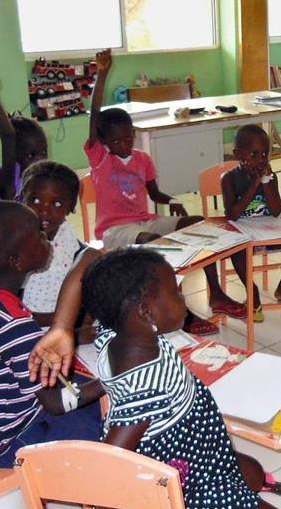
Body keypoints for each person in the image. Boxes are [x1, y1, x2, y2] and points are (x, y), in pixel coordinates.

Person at [80, 248, 281, 509]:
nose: (183, 296)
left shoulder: (114, 333)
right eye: (176, 292)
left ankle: (240, 496)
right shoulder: (144, 392)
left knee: (251, 470)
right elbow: (108, 468)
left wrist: (63, 330)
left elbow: (87, 263)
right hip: (175, 492)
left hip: (194, 454)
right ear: (146, 312)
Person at [86, 48, 243, 333]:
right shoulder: (101, 159)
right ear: (104, 141)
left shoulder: (142, 159)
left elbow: (155, 193)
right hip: (114, 230)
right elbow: (95, 114)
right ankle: (183, 313)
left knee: (197, 223)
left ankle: (217, 294)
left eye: (128, 137)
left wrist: (170, 200)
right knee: (157, 241)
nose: (124, 143)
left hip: (145, 219)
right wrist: (102, 74)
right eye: (116, 140)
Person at [0, 202, 104, 469]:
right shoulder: (13, 326)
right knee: (99, 415)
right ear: (18, 260)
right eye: (39, 235)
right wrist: (112, 381)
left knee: (82, 383)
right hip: (9, 441)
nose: (48, 239)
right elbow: (56, 404)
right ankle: (90, 482)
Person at [221, 124, 281, 322]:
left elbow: (276, 210)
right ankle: (252, 292)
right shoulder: (229, 179)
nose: (260, 160)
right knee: (236, 249)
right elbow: (232, 214)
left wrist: (266, 181)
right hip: (243, 233)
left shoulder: (270, 177)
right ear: (237, 153)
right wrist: (254, 185)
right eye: (254, 154)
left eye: (264, 154)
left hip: (268, 231)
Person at [19, 160, 99, 330]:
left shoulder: (64, 231)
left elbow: (81, 258)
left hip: (67, 317)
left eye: (56, 204)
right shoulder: (17, 245)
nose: (44, 211)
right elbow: (12, 312)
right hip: (33, 330)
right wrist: (70, 325)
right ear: (23, 197)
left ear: (70, 207)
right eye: (35, 200)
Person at [0, 59, 48, 200]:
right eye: (31, 156)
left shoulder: (42, 181)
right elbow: (8, 136)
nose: (40, 160)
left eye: (44, 152)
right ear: (13, 156)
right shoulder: (9, 183)